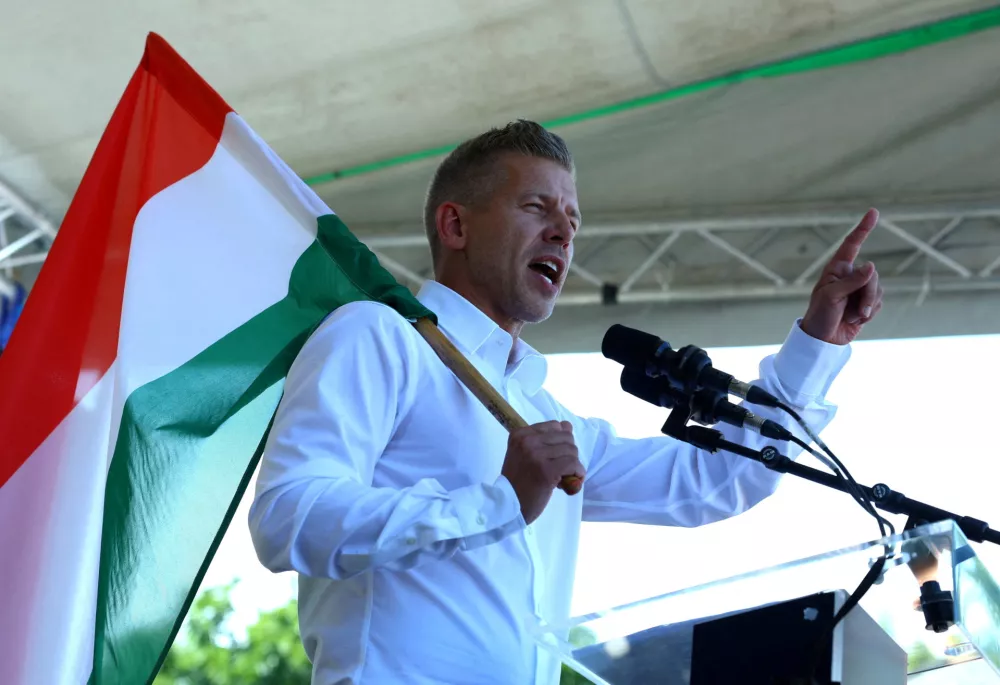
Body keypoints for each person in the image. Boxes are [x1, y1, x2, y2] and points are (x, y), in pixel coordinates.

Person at [248, 120, 883, 685]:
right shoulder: (379, 335)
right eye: (536, 207)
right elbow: (288, 517)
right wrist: (498, 501)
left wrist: (816, 344)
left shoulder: (544, 413)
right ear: (456, 224)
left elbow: (715, 479)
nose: (564, 233)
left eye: (573, 221)